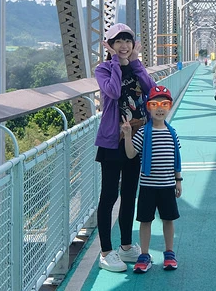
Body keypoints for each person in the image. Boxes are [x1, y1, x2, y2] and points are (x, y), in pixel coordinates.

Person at [94, 23, 155, 272]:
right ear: (109, 46)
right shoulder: (103, 69)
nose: (124, 45)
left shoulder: (136, 68)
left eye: (128, 41)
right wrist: (119, 66)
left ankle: (126, 246)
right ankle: (106, 251)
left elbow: (152, 91)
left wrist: (136, 63)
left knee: (130, 193)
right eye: (118, 41)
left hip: (136, 139)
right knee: (109, 195)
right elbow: (114, 91)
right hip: (112, 141)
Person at [121, 85, 182, 273]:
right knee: (145, 221)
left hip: (167, 185)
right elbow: (131, 154)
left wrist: (178, 180)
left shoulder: (172, 133)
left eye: (164, 104)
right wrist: (127, 135)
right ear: (148, 107)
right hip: (148, 186)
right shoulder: (143, 133)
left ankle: (169, 253)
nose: (160, 108)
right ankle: (145, 254)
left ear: (169, 107)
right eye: (155, 104)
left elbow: (176, 159)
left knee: (168, 219)